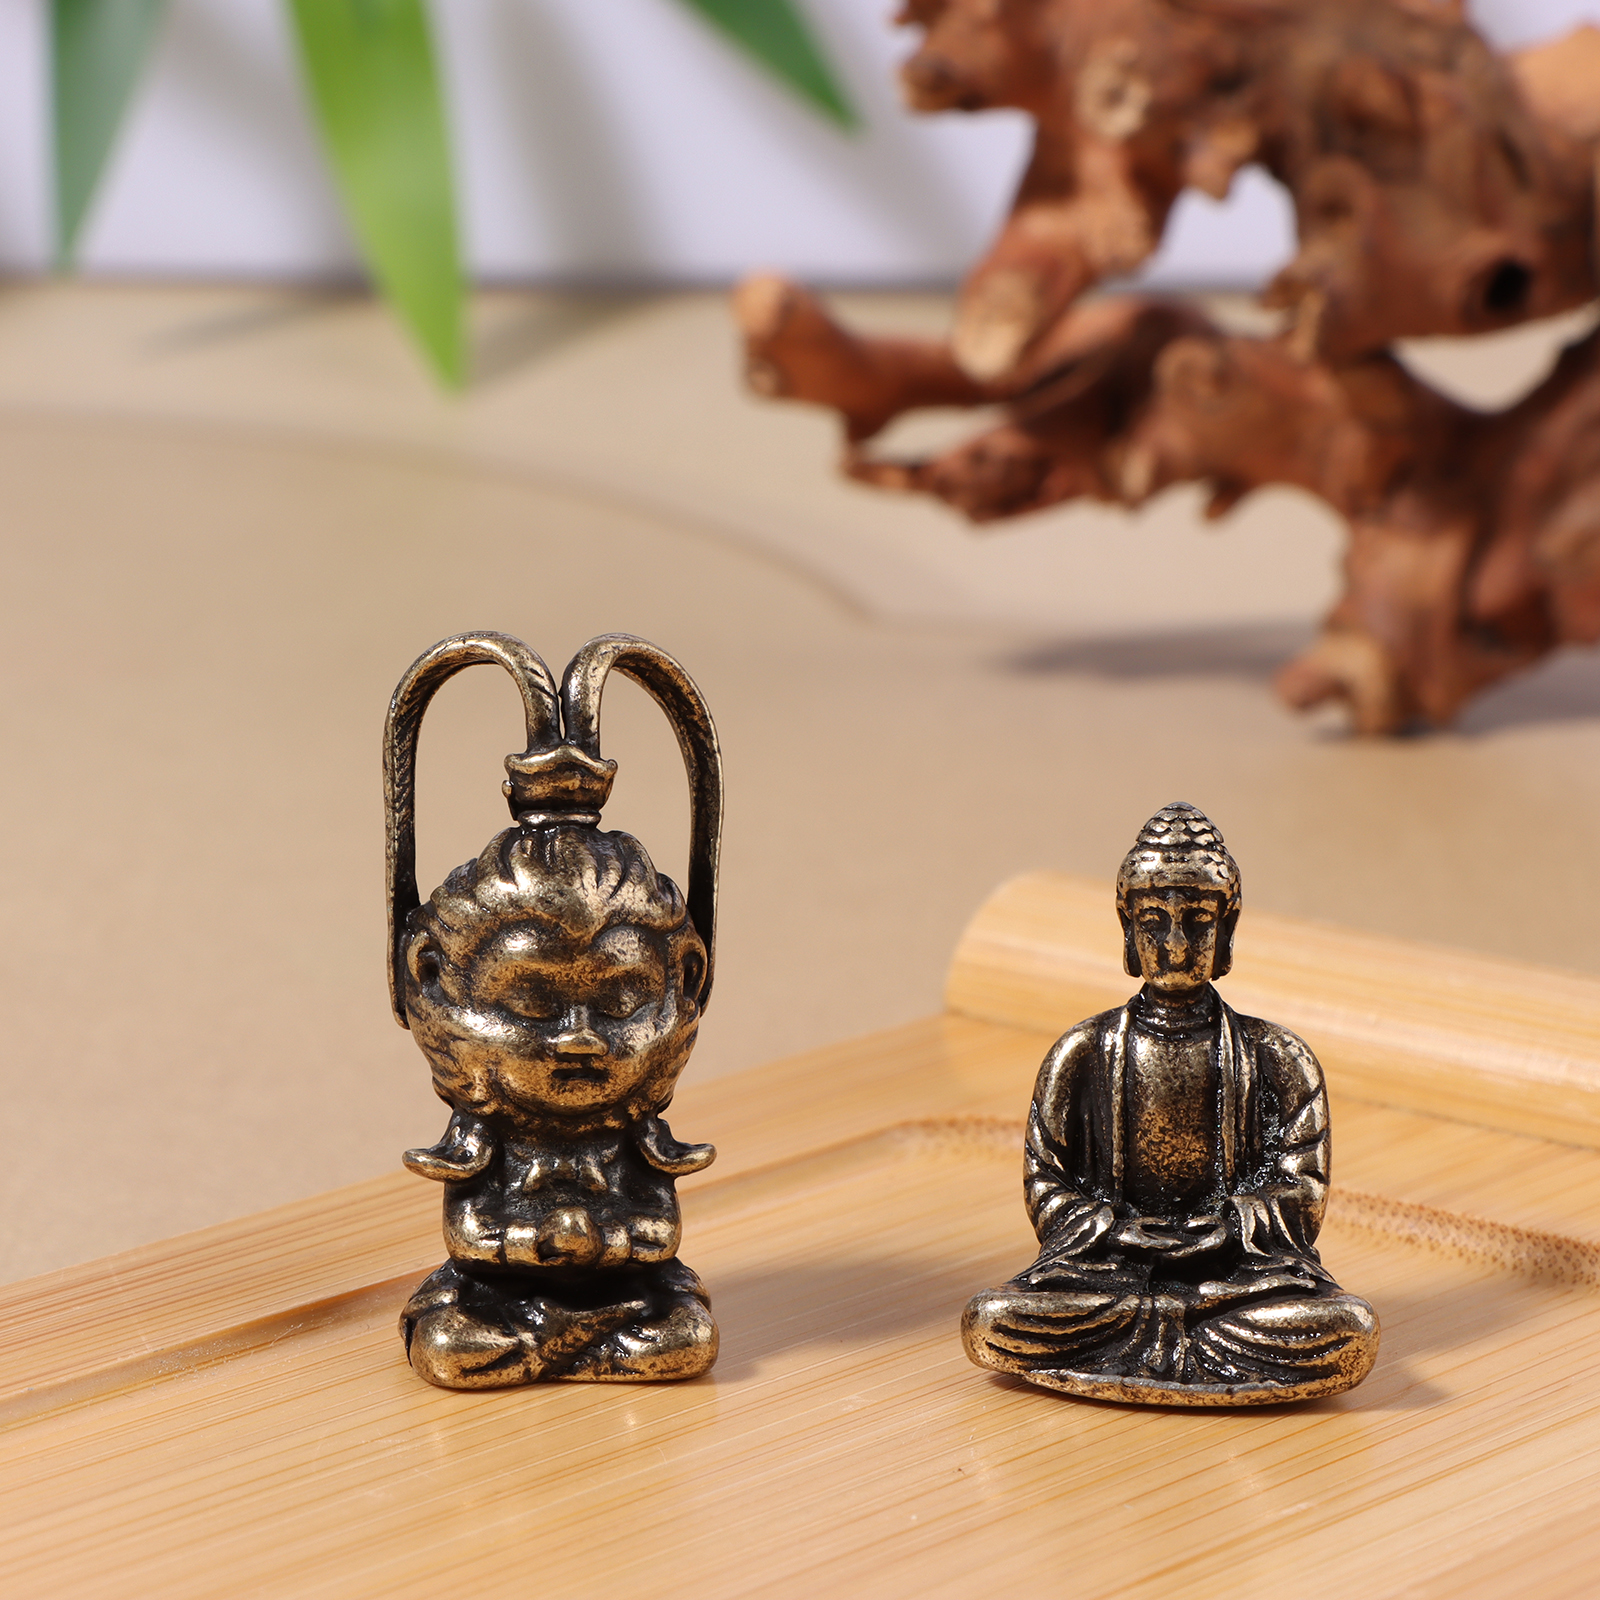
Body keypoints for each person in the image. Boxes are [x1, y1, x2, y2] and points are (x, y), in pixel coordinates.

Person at [962, 803, 1379, 1404]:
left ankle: (1160, 1343)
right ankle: (1180, 1343)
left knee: (1349, 1330)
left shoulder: (1279, 1057)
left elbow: (1302, 1191)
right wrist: (1120, 1231)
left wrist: (1227, 1228)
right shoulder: (1082, 1052)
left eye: (1199, 922)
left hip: (1234, 1286)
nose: (1176, 946)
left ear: (1228, 927)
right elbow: (1046, 1184)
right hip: (1111, 1280)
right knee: (991, 1319)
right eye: (1154, 921)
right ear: (1126, 926)